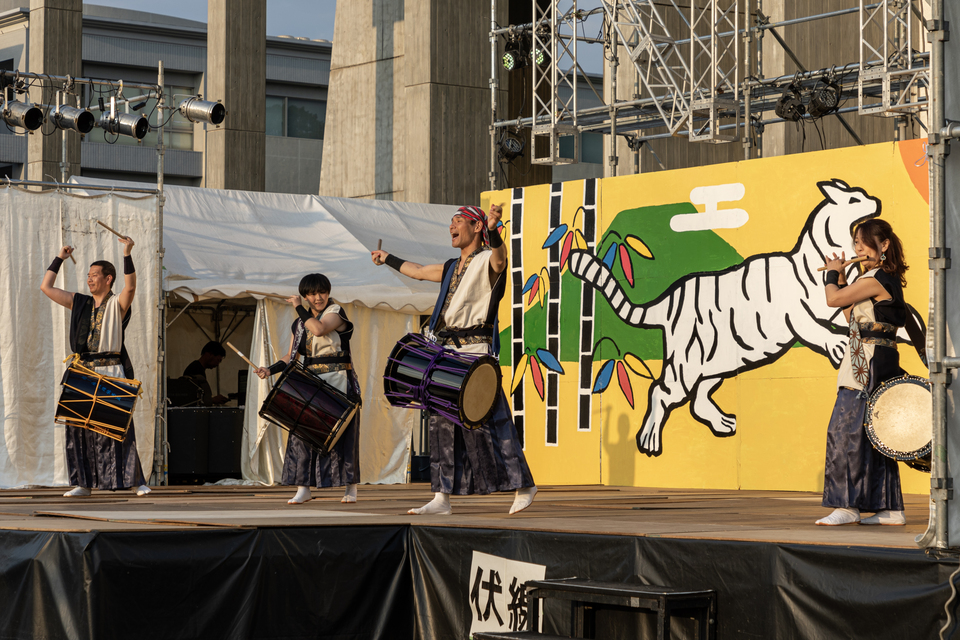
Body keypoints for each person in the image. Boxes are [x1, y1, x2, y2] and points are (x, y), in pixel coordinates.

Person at [371, 204, 537, 516]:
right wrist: (386, 258)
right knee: (441, 424)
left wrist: (493, 229)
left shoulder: (488, 260)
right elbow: (419, 272)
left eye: (459, 221)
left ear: (476, 228)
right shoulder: (451, 267)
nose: (452, 226)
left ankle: (524, 485)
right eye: (451, 222)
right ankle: (441, 497)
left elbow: (502, 258)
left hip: (475, 353)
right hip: (446, 354)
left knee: (493, 422)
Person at [40, 237, 151, 497]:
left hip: (111, 367)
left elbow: (131, 286)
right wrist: (59, 258)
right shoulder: (80, 302)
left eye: (94, 275)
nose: (89, 279)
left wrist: (126, 253)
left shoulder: (117, 304)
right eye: (88, 275)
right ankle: (84, 484)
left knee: (117, 426)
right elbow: (46, 286)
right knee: (79, 429)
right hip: (83, 371)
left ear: (108, 279)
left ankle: (136, 481)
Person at [816, 218, 908, 526]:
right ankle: (889, 508)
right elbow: (848, 312)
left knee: (845, 429)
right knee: (874, 434)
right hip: (872, 355)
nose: (857, 248)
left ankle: (847, 505)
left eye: (863, 242)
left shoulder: (877, 277)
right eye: (855, 242)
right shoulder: (876, 278)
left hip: (867, 360)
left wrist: (831, 276)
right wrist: (842, 279)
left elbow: (833, 300)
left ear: (883, 245)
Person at [255, 274, 361, 504]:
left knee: (343, 435)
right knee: (302, 433)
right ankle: (303, 488)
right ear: (305, 295)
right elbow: (292, 355)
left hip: (338, 379)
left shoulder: (335, 311)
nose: (318, 297)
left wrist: (298, 308)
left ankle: (350, 487)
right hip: (311, 381)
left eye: (321, 291)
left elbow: (320, 329)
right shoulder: (300, 322)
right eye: (312, 293)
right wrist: (270, 370)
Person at [183, 341, 229, 406]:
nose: (218, 364)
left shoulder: (197, 368)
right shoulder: (195, 370)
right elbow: (192, 397)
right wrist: (213, 400)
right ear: (209, 354)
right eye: (218, 360)